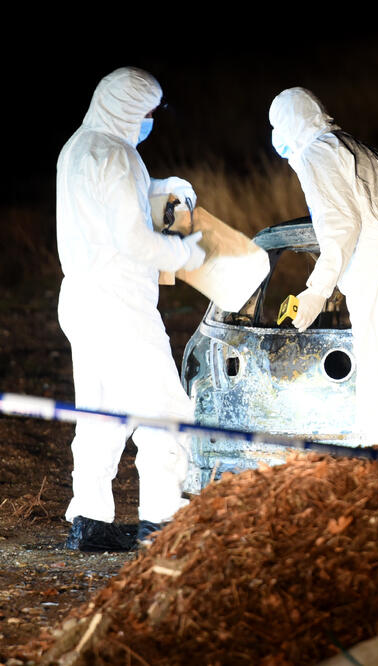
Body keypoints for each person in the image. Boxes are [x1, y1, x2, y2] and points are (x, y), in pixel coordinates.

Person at [56, 67, 206, 551]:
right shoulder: (119, 155)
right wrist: (185, 254)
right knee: (165, 409)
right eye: (147, 113)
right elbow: (135, 240)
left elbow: (106, 202)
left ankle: (90, 521)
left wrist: (161, 186)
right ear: (128, 108)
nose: (149, 122)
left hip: (81, 298)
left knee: (101, 413)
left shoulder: (79, 146)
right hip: (120, 302)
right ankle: (162, 523)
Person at [269, 87, 378, 444]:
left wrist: (317, 291)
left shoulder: (318, 152)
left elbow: (341, 225)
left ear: (290, 124)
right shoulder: (353, 146)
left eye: (276, 128)